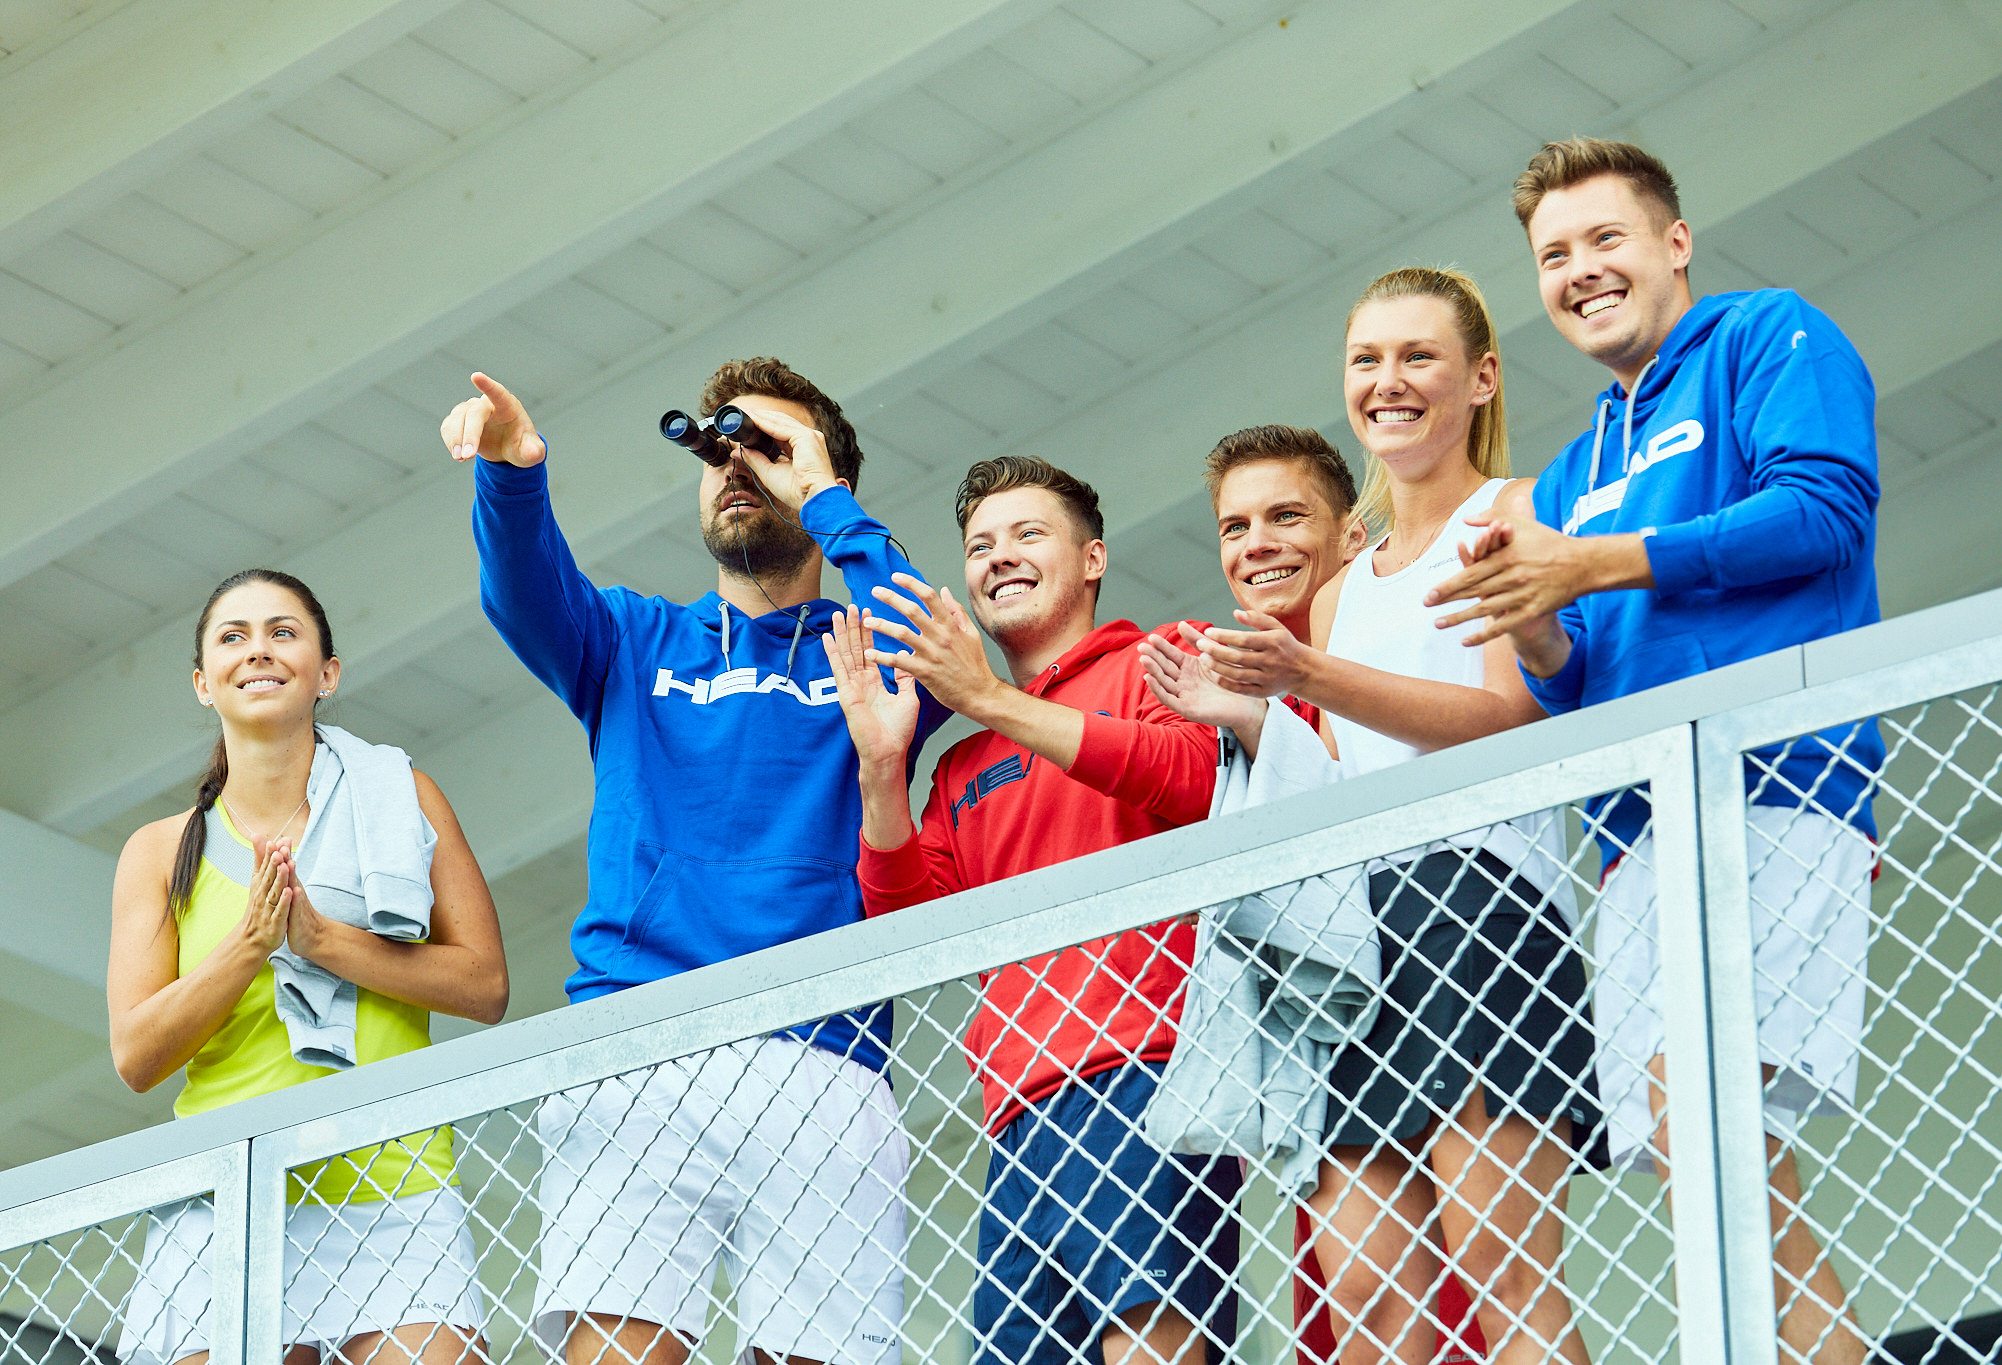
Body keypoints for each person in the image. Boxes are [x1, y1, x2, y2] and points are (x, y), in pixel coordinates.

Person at [1428, 137, 1882, 1365]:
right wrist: (1529, 617)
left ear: (1673, 243)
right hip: (1633, 837)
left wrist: (1593, 561)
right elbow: (1572, 679)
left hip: (1773, 783)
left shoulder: (1765, 334)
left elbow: (1823, 510)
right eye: (1552, 255)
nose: (1578, 270)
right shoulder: (1574, 468)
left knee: (1704, 1121)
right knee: (1708, 1155)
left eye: (1603, 239)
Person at [444, 361, 948, 1365]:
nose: (735, 467)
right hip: (637, 1039)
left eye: (768, 449)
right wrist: (513, 472)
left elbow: (936, 651)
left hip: (822, 1051)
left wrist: (828, 502)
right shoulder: (635, 638)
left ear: (823, 477)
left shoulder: (869, 648)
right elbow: (527, 597)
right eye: (720, 451)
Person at [1142, 269, 1599, 1365]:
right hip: (1359, 932)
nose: (1387, 381)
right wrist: (1251, 718)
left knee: (1501, 1268)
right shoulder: (1345, 590)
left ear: (1480, 379)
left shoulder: (1514, 511)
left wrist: (1306, 673)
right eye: (1366, 360)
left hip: (1483, 907)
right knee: (1363, 1297)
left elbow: (1508, 719)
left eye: (1416, 356)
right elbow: (1346, 783)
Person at [821, 456, 1236, 1365]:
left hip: (1149, 1073)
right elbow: (910, 932)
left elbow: (1192, 776)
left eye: (1027, 534)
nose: (998, 556)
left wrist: (989, 699)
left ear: (1093, 559)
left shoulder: (1165, 654)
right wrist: (882, 770)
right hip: (1015, 1111)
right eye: (979, 546)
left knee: (1154, 1345)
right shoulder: (962, 765)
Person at [107, 568, 506, 1365]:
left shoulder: (404, 798)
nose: (258, 650)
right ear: (204, 683)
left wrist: (323, 941)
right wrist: (249, 945)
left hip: (396, 1188)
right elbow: (137, 1054)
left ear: (327, 673)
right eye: (234, 636)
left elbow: (485, 984)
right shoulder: (156, 850)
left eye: (282, 632)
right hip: (227, 1198)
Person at [1198, 428, 1488, 1365]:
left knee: (1479, 1291)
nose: (1258, 544)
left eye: (1286, 516)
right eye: (1235, 526)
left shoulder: (1404, 639)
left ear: (1355, 536)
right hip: (1325, 1027)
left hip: (1446, 957)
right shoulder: (1229, 689)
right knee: (1353, 1304)